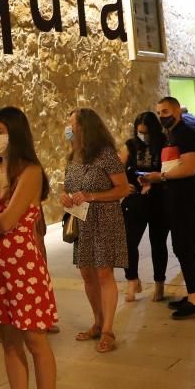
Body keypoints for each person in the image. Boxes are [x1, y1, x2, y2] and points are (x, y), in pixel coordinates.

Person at [0, 106, 59, 389]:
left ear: (14, 132)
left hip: (22, 266)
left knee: (35, 341)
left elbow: (6, 220)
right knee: (9, 341)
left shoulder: (30, 171)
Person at [61, 108, 130, 353]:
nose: (67, 128)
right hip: (82, 221)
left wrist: (93, 196)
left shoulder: (106, 155)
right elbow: (69, 187)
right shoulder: (73, 157)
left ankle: (108, 330)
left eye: (71, 123)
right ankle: (97, 321)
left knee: (103, 274)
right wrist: (65, 198)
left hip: (105, 219)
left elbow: (123, 189)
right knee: (87, 274)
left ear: (84, 127)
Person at [140, 98, 195, 319]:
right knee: (180, 247)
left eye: (165, 111)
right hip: (173, 198)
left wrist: (161, 176)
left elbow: (189, 167)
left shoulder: (185, 134)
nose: (162, 116)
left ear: (176, 110)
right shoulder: (172, 135)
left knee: (185, 247)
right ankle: (191, 293)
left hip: (184, 199)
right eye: (159, 112)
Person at [119, 111, 170, 302]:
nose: (143, 135)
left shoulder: (164, 143)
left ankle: (159, 283)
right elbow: (118, 170)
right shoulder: (130, 145)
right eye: (140, 132)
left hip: (159, 198)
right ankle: (132, 279)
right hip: (136, 199)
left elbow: (170, 169)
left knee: (158, 243)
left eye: (146, 132)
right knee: (128, 241)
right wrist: (125, 184)